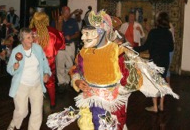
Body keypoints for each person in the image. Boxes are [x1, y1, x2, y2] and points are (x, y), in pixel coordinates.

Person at [47, 10, 179, 130]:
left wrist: (114, 91)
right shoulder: (83, 53)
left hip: (112, 106)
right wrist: (77, 82)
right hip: (89, 103)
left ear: (101, 33)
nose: (82, 38)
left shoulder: (117, 53)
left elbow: (131, 80)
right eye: (83, 33)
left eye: (87, 34)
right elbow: (76, 70)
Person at [7, 28, 51, 130]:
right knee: (22, 111)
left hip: (36, 85)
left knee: (37, 112)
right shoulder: (16, 51)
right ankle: (14, 123)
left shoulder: (38, 49)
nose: (31, 40)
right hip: (22, 85)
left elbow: (45, 64)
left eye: (32, 37)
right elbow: (9, 69)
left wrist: (46, 73)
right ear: (22, 40)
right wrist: (14, 67)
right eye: (28, 38)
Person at [134, 11, 174, 113]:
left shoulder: (153, 32)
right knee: (162, 82)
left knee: (153, 83)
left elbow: (145, 47)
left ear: (158, 21)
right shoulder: (168, 33)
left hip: (155, 61)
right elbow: (171, 48)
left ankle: (155, 106)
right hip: (165, 60)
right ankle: (161, 105)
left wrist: (133, 48)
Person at [29, 11, 65, 109]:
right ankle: (52, 103)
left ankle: (35, 103)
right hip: (49, 63)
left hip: (33, 63)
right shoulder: (52, 32)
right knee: (50, 83)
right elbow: (61, 45)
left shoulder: (30, 32)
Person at [51, 6, 80, 91]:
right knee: (60, 64)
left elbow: (77, 33)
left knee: (70, 64)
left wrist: (70, 37)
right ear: (61, 12)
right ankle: (61, 82)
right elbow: (53, 33)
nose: (67, 14)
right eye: (65, 13)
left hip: (70, 45)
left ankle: (68, 82)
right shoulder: (56, 21)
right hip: (60, 47)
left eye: (68, 12)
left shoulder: (73, 21)